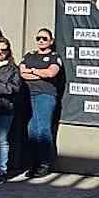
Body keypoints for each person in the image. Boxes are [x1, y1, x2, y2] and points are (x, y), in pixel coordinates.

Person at [20, 28, 63, 178]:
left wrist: (32, 71)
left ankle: (45, 164)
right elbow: (22, 73)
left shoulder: (54, 56)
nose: (41, 41)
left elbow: (51, 73)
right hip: (29, 95)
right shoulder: (30, 55)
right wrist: (39, 73)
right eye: (38, 38)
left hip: (45, 95)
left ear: (51, 41)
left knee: (43, 129)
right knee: (32, 130)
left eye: (44, 38)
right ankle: (34, 163)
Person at [0, 37, 21, 185]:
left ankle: (1, 171)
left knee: (2, 140)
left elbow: (13, 88)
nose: (0, 52)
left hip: (5, 107)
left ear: (8, 51)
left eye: (3, 50)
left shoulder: (13, 68)